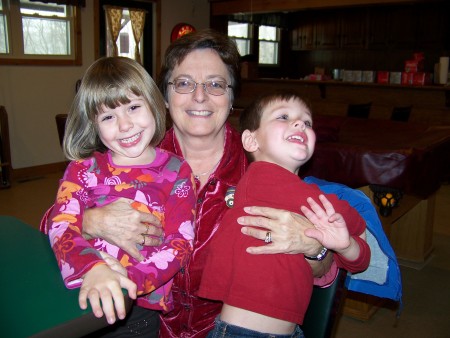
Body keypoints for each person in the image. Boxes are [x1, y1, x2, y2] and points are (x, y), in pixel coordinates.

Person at [40, 29, 354, 337]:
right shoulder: (126, 153)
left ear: (232, 98)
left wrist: (314, 247)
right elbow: (51, 224)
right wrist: (91, 220)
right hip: (144, 325)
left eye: (216, 84)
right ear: (162, 95)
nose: (200, 96)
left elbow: (324, 275)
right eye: (184, 83)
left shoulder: (266, 169)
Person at [43, 57, 196, 337]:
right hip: (81, 294)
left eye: (134, 107)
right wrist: (93, 268)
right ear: (94, 124)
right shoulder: (82, 169)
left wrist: (126, 280)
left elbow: (180, 243)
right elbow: (60, 224)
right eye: (109, 116)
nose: (125, 125)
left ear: (154, 103)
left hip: (135, 310)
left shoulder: (177, 171)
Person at [198, 90, 371, 337]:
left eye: (307, 122)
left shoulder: (303, 196)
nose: (299, 123)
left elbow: (360, 260)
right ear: (251, 141)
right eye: (283, 117)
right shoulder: (263, 179)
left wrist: (344, 246)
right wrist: (349, 246)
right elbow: (360, 249)